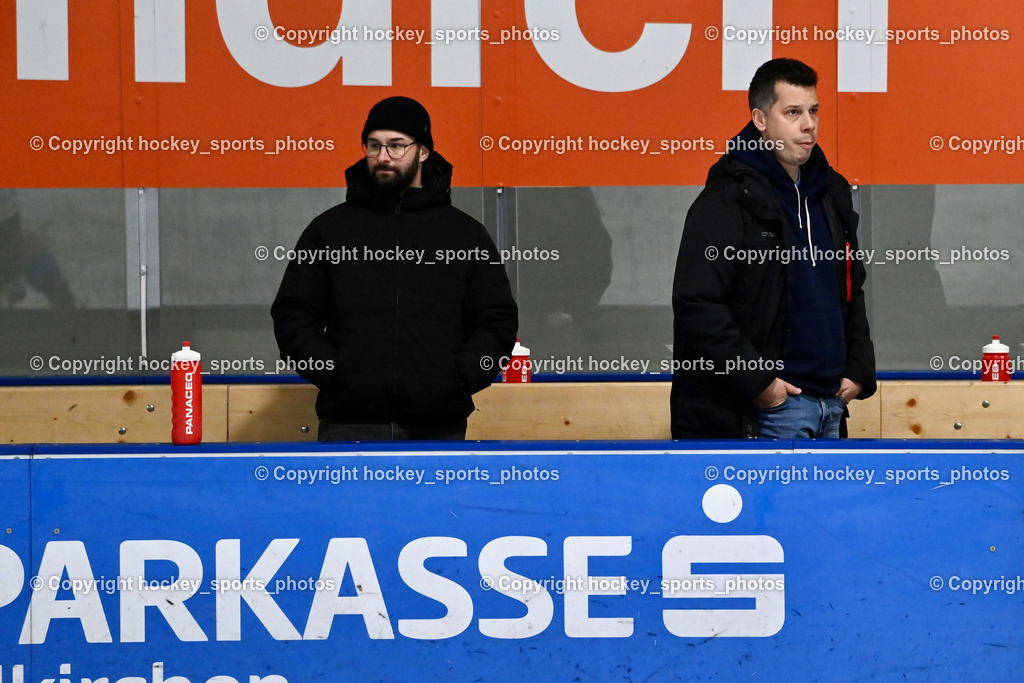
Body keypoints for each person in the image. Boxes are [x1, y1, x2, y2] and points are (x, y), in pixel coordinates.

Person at [272, 96, 518, 441]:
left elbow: (497, 319)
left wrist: (459, 379)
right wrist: (336, 375)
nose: (383, 156)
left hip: (438, 427)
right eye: (374, 145)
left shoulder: (464, 233)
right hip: (348, 424)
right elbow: (293, 314)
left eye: (396, 145)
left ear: (424, 151)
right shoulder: (329, 230)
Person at [671, 58, 875, 439]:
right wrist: (761, 385)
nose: (808, 124)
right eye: (793, 112)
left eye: (813, 110)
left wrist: (859, 369)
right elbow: (697, 304)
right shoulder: (726, 199)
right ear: (760, 119)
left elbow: (851, 288)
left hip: (832, 404)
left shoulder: (831, 193)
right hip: (767, 411)